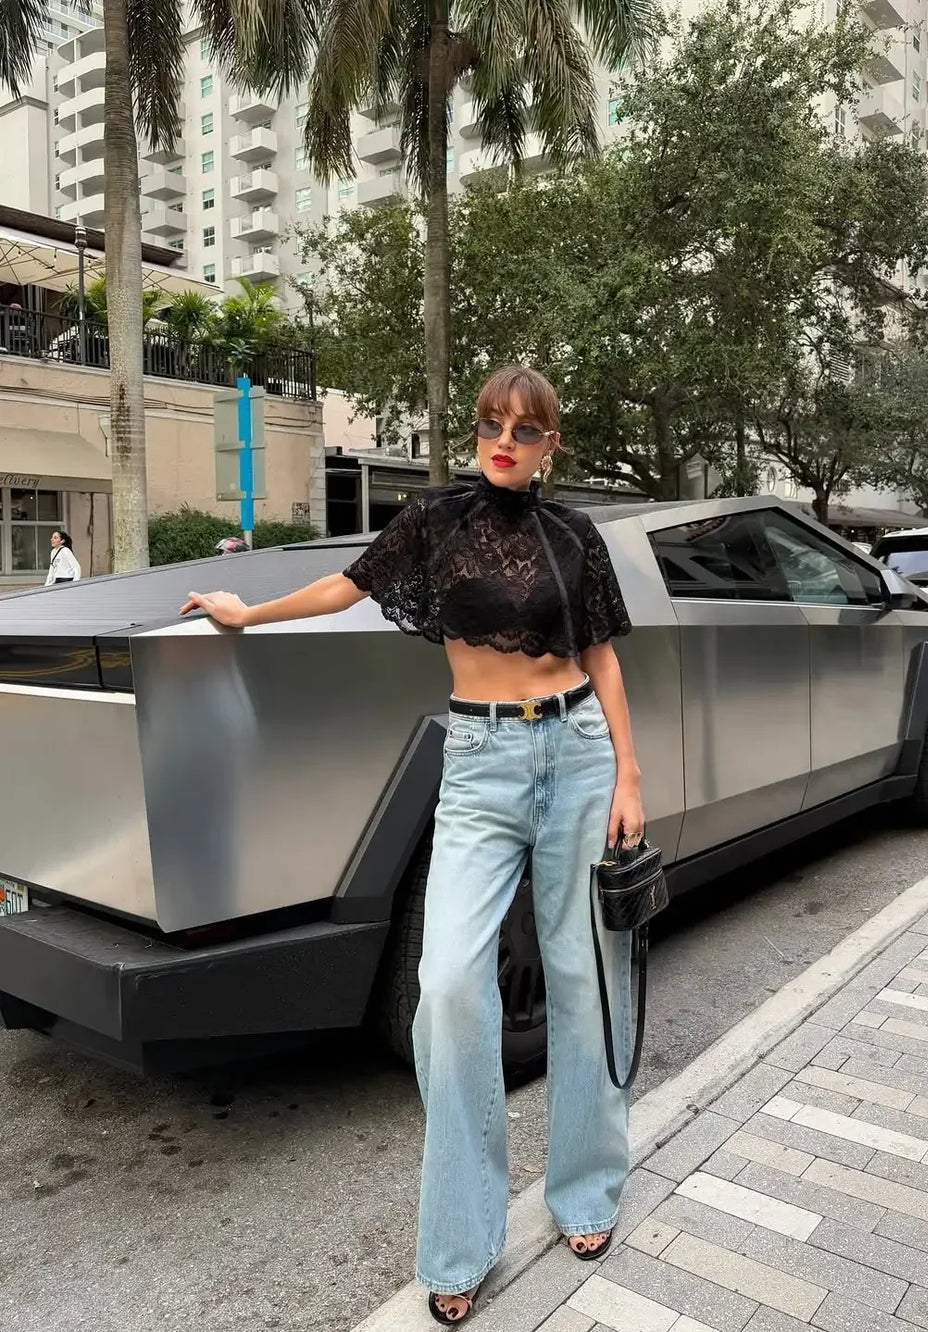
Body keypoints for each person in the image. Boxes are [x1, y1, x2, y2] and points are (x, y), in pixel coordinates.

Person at [180, 366, 643, 1325]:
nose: (503, 439)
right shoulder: (435, 519)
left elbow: (602, 655)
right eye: (490, 423)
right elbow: (346, 586)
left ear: (551, 444)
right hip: (479, 761)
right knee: (449, 988)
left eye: (525, 428)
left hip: (578, 750)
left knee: (584, 971)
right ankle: (463, 1238)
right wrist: (247, 613)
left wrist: (630, 776)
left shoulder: (575, 536)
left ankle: (585, 1188)